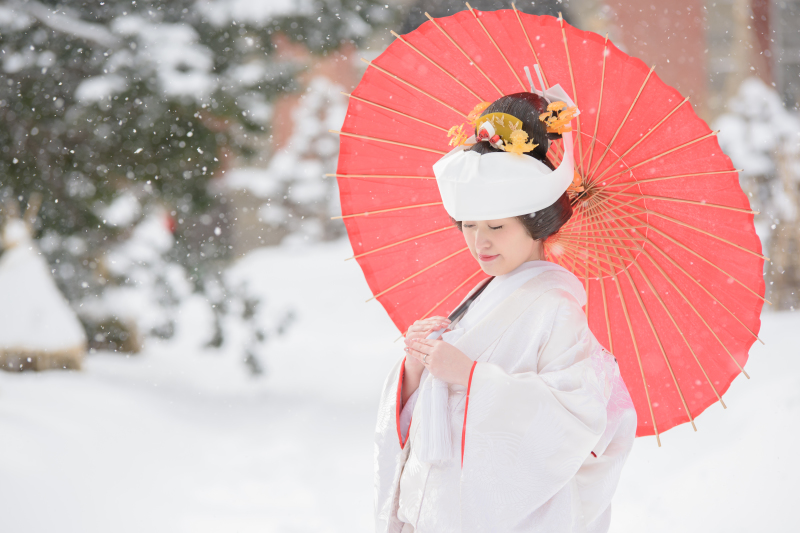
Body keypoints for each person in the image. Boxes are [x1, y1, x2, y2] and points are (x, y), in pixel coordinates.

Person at [373, 88, 637, 533]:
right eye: (470, 227)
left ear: (536, 225)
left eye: (496, 227)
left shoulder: (556, 309)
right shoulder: (479, 297)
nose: (481, 243)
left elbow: (575, 421)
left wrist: (471, 378)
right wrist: (416, 369)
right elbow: (425, 416)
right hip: (439, 510)